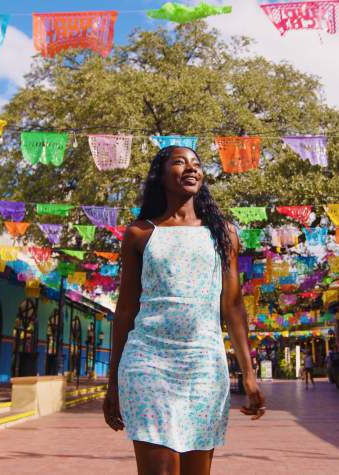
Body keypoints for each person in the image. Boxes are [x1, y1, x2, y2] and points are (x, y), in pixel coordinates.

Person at [103, 146, 265, 475]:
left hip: (204, 365)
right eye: (180, 162)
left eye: (196, 164)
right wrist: (113, 383)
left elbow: (233, 307)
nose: (191, 169)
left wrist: (248, 373)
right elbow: (125, 312)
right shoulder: (140, 234)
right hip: (147, 361)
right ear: (161, 176)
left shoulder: (223, 234)